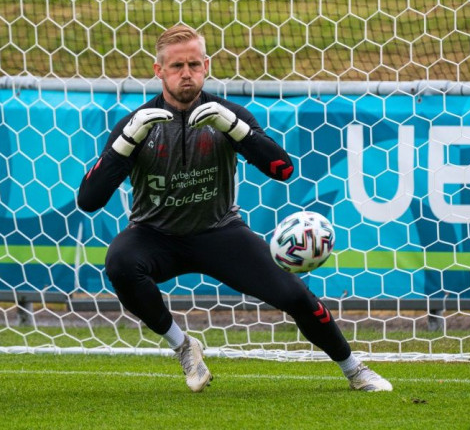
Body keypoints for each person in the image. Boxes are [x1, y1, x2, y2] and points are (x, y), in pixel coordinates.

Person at [77, 24, 392, 393]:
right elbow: (88, 200)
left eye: (194, 64)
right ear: (158, 70)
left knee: (295, 296)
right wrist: (126, 143)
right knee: (120, 263)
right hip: (154, 235)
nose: (187, 74)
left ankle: (355, 370)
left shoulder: (227, 114)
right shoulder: (136, 125)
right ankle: (183, 346)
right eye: (177, 66)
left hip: (220, 232)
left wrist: (236, 129)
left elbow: (284, 170)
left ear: (206, 66)